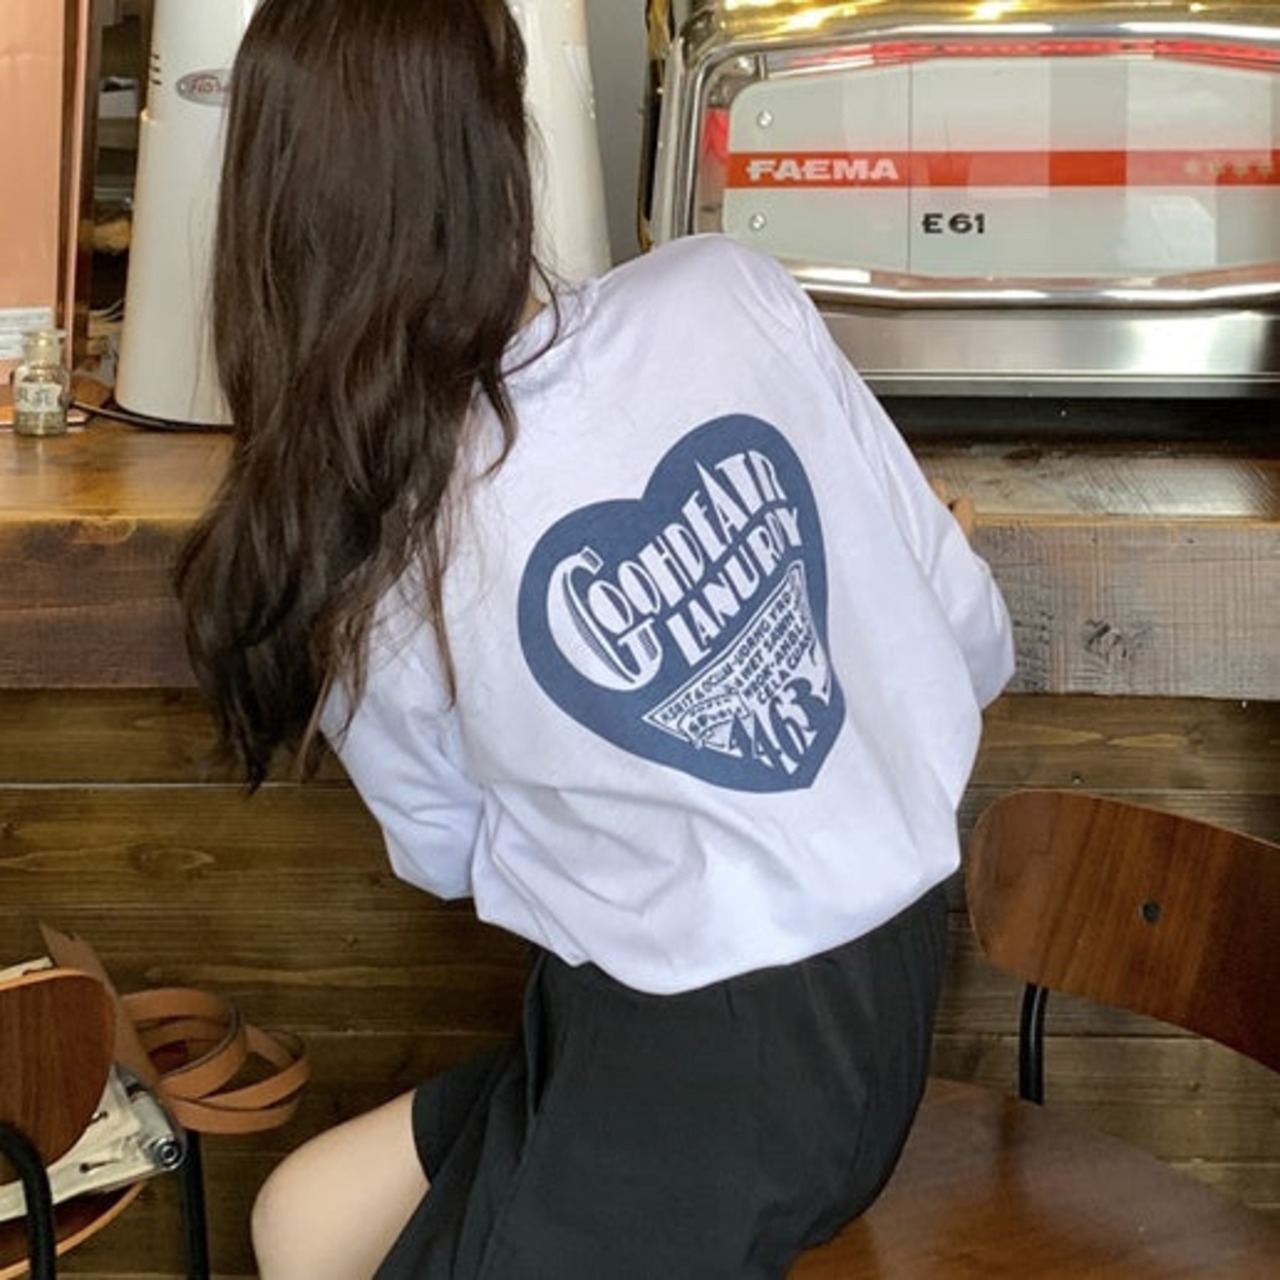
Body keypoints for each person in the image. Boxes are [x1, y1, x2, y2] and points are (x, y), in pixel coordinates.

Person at [174, 1, 1015, 1276]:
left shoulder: (361, 543)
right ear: (503, 139)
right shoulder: (724, 291)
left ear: (269, 208)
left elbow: (452, 855)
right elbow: (968, 640)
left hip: (683, 1077)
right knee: (301, 1213)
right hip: (867, 1017)